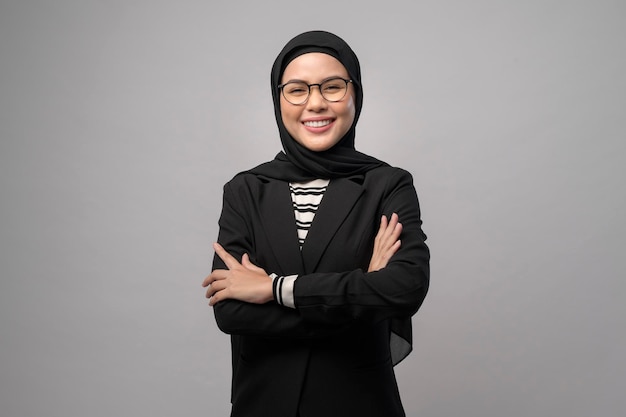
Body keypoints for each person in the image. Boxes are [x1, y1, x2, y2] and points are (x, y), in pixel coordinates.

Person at [202, 30, 430, 417]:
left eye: (332, 87)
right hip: (264, 404)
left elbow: (404, 289)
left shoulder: (387, 184)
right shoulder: (245, 190)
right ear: (278, 100)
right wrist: (361, 294)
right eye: (297, 89)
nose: (316, 103)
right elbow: (231, 311)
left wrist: (273, 288)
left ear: (355, 93)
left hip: (360, 404)